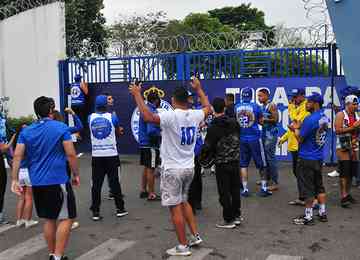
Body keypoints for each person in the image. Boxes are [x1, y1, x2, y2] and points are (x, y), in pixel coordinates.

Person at [129, 77, 211, 256]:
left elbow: (147, 116)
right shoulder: (195, 114)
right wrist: (199, 89)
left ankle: (182, 246)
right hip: (189, 167)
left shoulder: (171, 116)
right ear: (187, 100)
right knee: (183, 201)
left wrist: (137, 95)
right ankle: (194, 236)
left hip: (173, 169)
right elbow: (208, 108)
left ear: (173, 100)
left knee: (175, 208)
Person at [11, 96, 80, 260]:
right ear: (51, 110)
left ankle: (53, 254)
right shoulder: (61, 128)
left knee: (49, 220)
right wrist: (76, 174)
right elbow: (70, 154)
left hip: (38, 182)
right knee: (67, 218)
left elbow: (18, 156)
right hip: (57, 181)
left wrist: (14, 179)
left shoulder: (27, 131)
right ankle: (57, 257)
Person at [292, 93, 329, 225]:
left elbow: (300, 139)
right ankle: (322, 213)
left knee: (308, 188)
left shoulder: (310, 119)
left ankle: (308, 217)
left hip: (307, 158)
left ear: (315, 103)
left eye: (308, 102)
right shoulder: (325, 117)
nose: (306, 104)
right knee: (319, 186)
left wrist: (295, 129)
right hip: (319, 157)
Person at [89, 95, 128, 221]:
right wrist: (119, 130)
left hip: (96, 156)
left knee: (96, 184)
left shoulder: (90, 117)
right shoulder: (113, 117)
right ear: (106, 104)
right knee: (115, 183)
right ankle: (120, 209)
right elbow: (118, 132)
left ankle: (95, 211)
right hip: (111, 155)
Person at [204, 97, 241, 229]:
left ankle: (229, 219)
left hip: (221, 163)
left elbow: (208, 146)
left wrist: (204, 159)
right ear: (224, 107)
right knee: (235, 189)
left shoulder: (213, 127)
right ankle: (236, 215)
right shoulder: (234, 122)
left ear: (213, 109)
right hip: (235, 161)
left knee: (224, 192)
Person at [235, 88, 271, 197]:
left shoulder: (237, 107)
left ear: (242, 95)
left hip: (242, 138)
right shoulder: (256, 106)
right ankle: (264, 188)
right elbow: (261, 121)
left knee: (243, 164)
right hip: (255, 138)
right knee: (262, 164)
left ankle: (245, 189)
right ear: (251, 96)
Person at [335, 95, 360, 208]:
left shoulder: (357, 115)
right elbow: (338, 130)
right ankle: (343, 196)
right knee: (344, 172)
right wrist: (353, 127)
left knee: (351, 172)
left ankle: (348, 193)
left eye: (357, 104)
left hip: (354, 146)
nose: (356, 106)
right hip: (343, 146)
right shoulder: (341, 115)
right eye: (354, 104)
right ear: (348, 104)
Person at [12, 124, 39, 228]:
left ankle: (19, 220)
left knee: (21, 197)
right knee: (29, 197)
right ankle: (28, 220)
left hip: (20, 172)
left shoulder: (17, 143)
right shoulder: (29, 142)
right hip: (28, 171)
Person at [138, 91, 162, 201]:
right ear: (156, 100)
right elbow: (151, 131)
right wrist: (160, 133)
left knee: (147, 167)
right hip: (150, 144)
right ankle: (151, 194)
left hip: (144, 144)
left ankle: (143, 190)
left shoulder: (145, 109)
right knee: (151, 169)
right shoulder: (151, 111)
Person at [258, 88, 279, 191]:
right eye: (258, 96)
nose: (259, 98)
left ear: (266, 95)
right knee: (266, 158)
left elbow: (276, 120)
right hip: (265, 134)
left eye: (260, 96)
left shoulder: (272, 105)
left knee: (271, 158)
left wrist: (264, 120)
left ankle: (275, 182)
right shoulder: (263, 106)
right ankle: (267, 178)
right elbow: (263, 121)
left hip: (271, 135)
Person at [188, 92, 204, 213]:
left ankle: (193, 204)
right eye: (188, 98)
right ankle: (195, 203)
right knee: (195, 177)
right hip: (193, 149)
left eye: (191, 97)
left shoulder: (194, 112)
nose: (191, 99)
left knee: (194, 178)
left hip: (193, 150)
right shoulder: (195, 112)